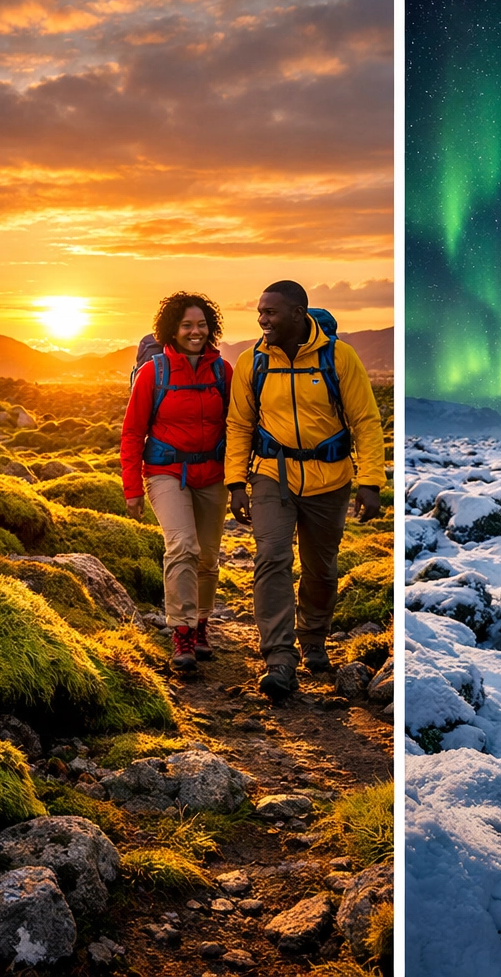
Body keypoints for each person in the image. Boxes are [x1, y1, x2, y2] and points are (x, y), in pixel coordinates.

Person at [224, 279, 386, 701]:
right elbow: (239, 424)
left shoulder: (339, 357)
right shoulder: (252, 361)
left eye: (270, 312)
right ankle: (279, 658)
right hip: (270, 475)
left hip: (330, 479)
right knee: (271, 558)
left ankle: (313, 638)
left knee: (321, 568)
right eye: (260, 312)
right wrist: (236, 482)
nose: (262, 319)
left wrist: (371, 480)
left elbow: (365, 421)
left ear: (298, 314)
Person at [120, 291, 231, 671]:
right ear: (172, 329)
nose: (195, 332)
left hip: (212, 474)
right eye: (187, 325)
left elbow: (238, 426)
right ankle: (181, 632)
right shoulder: (153, 373)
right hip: (166, 473)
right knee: (183, 546)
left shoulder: (223, 372)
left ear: (210, 328)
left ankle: (201, 623)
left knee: (208, 556)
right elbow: (132, 433)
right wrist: (132, 489)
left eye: (201, 325)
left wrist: (239, 480)